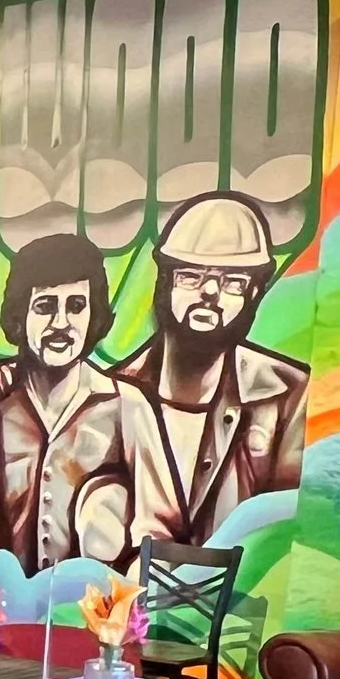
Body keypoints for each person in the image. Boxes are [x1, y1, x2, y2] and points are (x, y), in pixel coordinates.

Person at [0, 230, 162, 573]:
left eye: (76, 306)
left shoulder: (128, 404)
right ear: (20, 316)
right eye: (46, 307)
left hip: (95, 614)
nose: (61, 323)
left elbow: (154, 527)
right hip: (3, 611)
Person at [111, 191, 309, 546]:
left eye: (234, 282)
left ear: (254, 295)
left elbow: (284, 533)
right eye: (191, 276)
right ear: (166, 282)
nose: (211, 292)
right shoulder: (113, 393)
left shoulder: (287, 395)